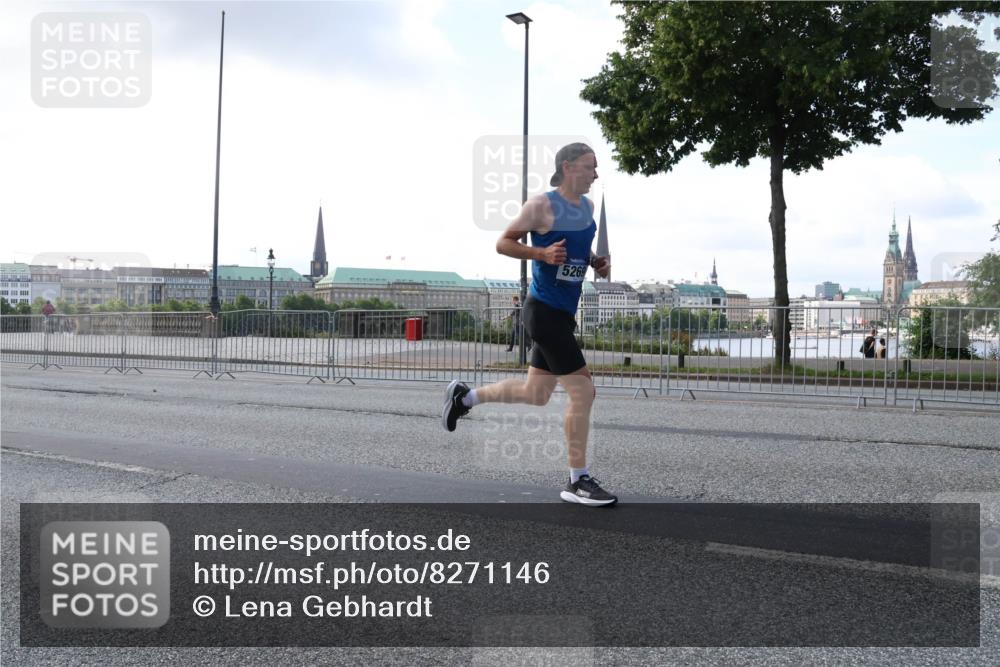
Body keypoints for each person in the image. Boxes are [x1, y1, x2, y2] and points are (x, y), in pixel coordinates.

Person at [443, 143, 615, 506]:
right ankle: (578, 480)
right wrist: (540, 253)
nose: (595, 174)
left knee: (535, 394)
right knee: (584, 391)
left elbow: (576, 255)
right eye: (589, 167)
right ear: (568, 168)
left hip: (562, 315)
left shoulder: (586, 209)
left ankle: (465, 397)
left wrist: (595, 261)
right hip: (543, 312)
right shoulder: (541, 205)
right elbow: (503, 243)